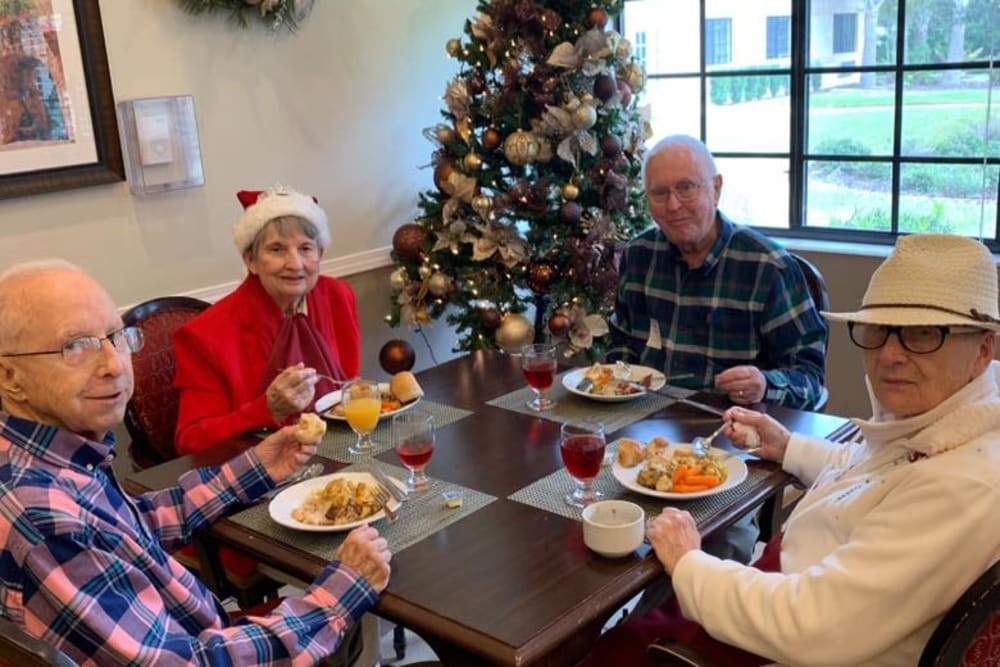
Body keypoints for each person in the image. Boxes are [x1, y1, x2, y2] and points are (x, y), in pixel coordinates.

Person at [585, 234, 1000, 666]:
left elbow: (811, 625)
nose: (890, 354)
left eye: (923, 334)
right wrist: (787, 446)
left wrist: (689, 562)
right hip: (787, 587)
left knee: (606, 651)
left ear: (983, 348)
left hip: (788, 638)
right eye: (878, 330)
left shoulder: (963, 486)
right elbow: (875, 472)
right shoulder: (952, 420)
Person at [0, 260, 391, 665]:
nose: (114, 365)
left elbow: (130, 530)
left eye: (116, 337)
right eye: (76, 346)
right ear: (9, 376)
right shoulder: (42, 518)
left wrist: (257, 466)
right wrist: (337, 594)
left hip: (190, 628)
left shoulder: (46, 460)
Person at [607, 134, 828, 410]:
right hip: (644, 423)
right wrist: (621, 377)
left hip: (731, 429)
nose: (673, 205)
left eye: (686, 187)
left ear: (716, 189)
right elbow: (621, 343)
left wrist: (764, 384)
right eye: (660, 192)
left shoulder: (769, 267)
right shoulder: (639, 254)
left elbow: (810, 379)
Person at [174, 185, 361, 454]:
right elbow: (191, 441)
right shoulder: (203, 335)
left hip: (340, 452)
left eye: (306, 248)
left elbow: (349, 388)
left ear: (320, 254)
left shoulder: (338, 297)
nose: (295, 264)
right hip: (259, 469)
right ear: (250, 260)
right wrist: (265, 409)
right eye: (277, 249)